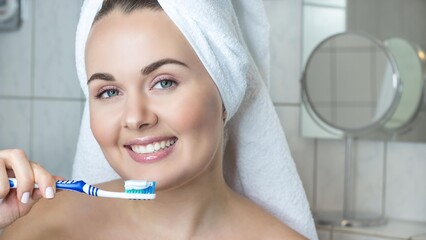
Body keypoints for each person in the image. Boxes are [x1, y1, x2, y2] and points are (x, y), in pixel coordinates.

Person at [0, 0, 316, 239]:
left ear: (225, 93)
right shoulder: (30, 228)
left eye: (164, 82)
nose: (136, 118)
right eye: (109, 92)